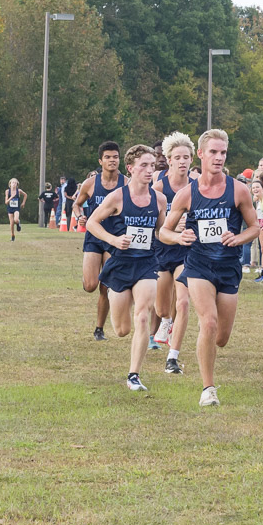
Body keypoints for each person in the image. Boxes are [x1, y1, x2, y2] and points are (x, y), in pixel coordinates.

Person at [159, 129, 260, 407]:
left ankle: (208, 353)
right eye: (213, 152)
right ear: (200, 155)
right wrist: (179, 237)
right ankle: (208, 389)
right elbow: (163, 233)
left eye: (223, 152)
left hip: (228, 268)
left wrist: (238, 237)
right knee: (209, 321)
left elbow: (255, 227)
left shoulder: (238, 189)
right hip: (199, 265)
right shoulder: (186, 194)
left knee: (221, 337)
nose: (218, 157)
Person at [87, 144, 167, 392]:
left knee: (143, 314)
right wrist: (112, 240)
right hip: (120, 264)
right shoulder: (117, 197)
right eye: (143, 165)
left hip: (146, 263)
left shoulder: (160, 199)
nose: (149, 170)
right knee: (122, 330)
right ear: (130, 168)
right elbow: (92, 223)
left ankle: (134, 375)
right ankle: (121, 298)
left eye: (152, 166)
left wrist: (178, 231)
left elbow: (162, 231)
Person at [154, 132, 197, 374]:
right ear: (169, 159)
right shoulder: (159, 188)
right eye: (177, 157)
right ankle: (166, 322)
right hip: (162, 250)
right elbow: (150, 222)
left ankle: (173, 357)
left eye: (186, 157)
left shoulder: (196, 188)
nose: (182, 162)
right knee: (162, 309)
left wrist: (188, 226)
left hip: (185, 251)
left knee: (182, 302)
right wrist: (167, 226)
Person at [73, 142, 124, 341]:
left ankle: (99, 329)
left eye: (115, 157)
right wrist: (79, 217)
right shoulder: (91, 184)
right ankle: (87, 276)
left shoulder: (126, 183)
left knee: (106, 286)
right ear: (100, 161)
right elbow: (77, 205)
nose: (112, 160)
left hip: (114, 239)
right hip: (94, 238)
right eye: (108, 157)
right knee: (91, 285)